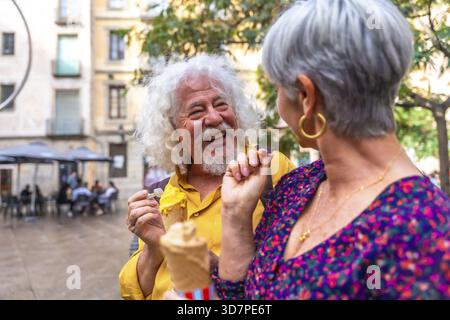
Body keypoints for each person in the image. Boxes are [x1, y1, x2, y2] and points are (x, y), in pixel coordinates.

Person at [215, 0, 449, 299]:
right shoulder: (296, 188)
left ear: (306, 96)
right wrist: (235, 215)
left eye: (276, 88)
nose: (277, 106)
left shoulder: (422, 231)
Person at [119, 55, 296, 300]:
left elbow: (296, 272)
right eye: (196, 111)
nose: (214, 118)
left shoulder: (271, 170)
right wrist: (156, 246)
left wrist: (206, 268)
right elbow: (136, 293)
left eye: (221, 104)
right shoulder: (159, 195)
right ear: (173, 131)